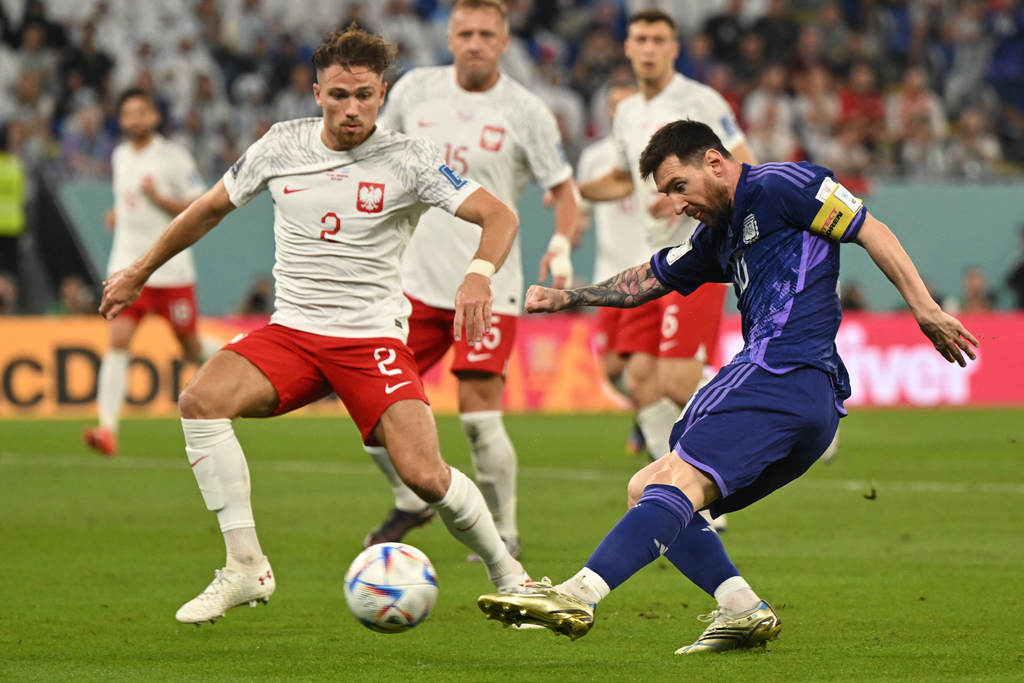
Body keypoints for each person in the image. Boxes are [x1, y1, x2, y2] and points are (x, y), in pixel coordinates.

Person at [477, 120, 978, 653]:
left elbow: (870, 229)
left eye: (678, 186)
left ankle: (579, 594)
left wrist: (925, 310)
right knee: (649, 489)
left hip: (780, 371)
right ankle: (741, 608)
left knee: (674, 480)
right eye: (666, 194)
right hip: (809, 402)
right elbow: (648, 279)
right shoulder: (719, 236)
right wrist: (570, 298)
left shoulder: (783, 186)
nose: (674, 204)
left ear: (714, 161)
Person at [99, 27, 530, 625]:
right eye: (336, 95)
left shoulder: (412, 159)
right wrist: (139, 271)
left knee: (425, 475)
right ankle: (244, 566)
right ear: (316, 92)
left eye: (363, 95)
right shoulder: (280, 146)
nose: (350, 109)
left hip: (370, 338)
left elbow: (498, 215)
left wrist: (479, 274)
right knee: (200, 401)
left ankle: (512, 577)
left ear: (383, 93)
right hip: (293, 333)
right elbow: (207, 210)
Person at [361, 0, 580, 560]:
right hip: (411, 281)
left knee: (480, 419)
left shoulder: (526, 110)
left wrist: (560, 243)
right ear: (450, 37)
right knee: (371, 407)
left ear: (505, 41)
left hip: (488, 282)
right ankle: (411, 502)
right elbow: (375, 159)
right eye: (465, 32)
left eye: (487, 33)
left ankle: (504, 530)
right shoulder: (414, 92)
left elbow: (564, 189)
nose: (475, 42)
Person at [576, 9, 757, 531]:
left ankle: (773, 398)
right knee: (641, 380)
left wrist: (691, 194)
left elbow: (745, 166)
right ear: (628, 49)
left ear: (674, 48)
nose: (649, 48)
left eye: (659, 39)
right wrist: (572, 190)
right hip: (653, 263)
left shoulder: (701, 102)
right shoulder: (628, 111)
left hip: (697, 254)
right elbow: (618, 180)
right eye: (640, 39)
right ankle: (683, 499)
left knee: (677, 380)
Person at [83, 88, 209, 457]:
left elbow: (200, 204)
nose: (134, 119)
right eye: (127, 114)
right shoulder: (120, 155)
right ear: (121, 120)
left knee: (192, 348)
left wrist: (161, 200)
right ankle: (107, 429)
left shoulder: (172, 156)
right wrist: (117, 213)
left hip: (171, 271)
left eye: (141, 112)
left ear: (154, 117)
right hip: (127, 268)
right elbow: (129, 199)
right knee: (117, 341)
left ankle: (241, 357)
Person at [575, 81, 650, 454]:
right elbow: (582, 212)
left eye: (628, 104)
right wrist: (566, 240)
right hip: (608, 277)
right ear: (607, 111)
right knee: (611, 370)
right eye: (615, 106)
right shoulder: (593, 158)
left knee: (642, 371)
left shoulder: (656, 153)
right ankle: (646, 415)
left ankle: (654, 424)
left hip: (648, 275)